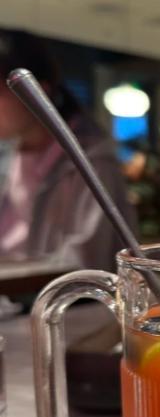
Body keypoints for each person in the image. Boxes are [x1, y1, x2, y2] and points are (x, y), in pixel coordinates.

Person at [0, 30, 136, 270]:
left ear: (35, 93)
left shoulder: (90, 161)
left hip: (66, 292)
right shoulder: (11, 157)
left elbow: (86, 262)